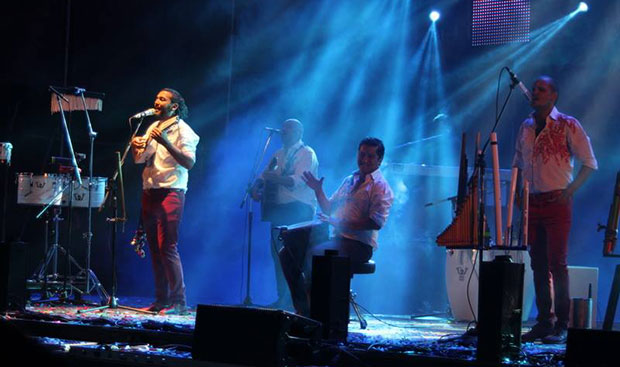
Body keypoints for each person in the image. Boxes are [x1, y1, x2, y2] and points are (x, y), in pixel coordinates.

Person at [513, 76, 597, 344]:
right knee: (537, 263)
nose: (535, 93)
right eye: (534, 89)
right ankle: (543, 321)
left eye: (541, 89)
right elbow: (518, 162)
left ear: (553, 96)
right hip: (533, 201)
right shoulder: (526, 127)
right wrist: (517, 193)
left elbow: (589, 162)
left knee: (557, 263)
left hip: (557, 201)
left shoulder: (568, 124)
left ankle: (562, 322)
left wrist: (570, 191)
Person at [279, 137, 394, 316]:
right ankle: (303, 308)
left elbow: (375, 223)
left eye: (370, 156)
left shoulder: (381, 187)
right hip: (338, 239)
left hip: (359, 245)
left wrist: (341, 223)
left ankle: (316, 311)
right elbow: (329, 208)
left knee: (316, 254)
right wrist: (318, 190)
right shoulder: (350, 180)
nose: (364, 159)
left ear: (379, 160)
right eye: (362, 154)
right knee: (287, 253)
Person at [131, 88, 200, 315]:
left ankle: (179, 302)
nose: (156, 102)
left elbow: (189, 162)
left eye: (163, 99)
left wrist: (167, 142)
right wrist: (135, 148)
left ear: (174, 106)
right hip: (150, 189)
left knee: (167, 247)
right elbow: (141, 160)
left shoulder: (184, 130)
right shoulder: (153, 127)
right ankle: (161, 300)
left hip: (171, 190)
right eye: (156, 98)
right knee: (154, 248)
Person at [251, 119, 318, 309]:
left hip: (299, 209)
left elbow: (297, 181)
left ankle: (298, 302)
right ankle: (282, 298)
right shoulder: (279, 154)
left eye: (288, 129)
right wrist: (257, 187)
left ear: (299, 132)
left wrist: (276, 179)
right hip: (280, 210)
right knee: (277, 255)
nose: (283, 131)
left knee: (295, 257)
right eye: (283, 129)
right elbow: (264, 175)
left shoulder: (307, 153)